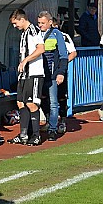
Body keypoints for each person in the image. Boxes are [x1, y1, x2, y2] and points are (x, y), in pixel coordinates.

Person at [8, 9, 45, 146]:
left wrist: (26, 61)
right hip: (24, 75)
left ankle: (36, 135)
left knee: (31, 103)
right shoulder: (24, 33)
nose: (14, 26)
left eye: (15, 22)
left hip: (34, 73)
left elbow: (41, 48)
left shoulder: (33, 30)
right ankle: (23, 134)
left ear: (22, 19)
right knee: (20, 103)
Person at [37, 11, 68, 141]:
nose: (40, 25)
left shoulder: (57, 34)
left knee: (54, 102)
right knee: (41, 100)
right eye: (39, 23)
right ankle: (48, 122)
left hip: (52, 74)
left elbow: (63, 55)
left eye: (43, 23)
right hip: (38, 74)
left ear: (50, 22)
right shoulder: (36, 33)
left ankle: (53, 129)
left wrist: (60, 73)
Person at [52, 17, 77, 133]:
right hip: (48, 72)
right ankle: (49, 121)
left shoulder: (64, 36)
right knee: (46, 97)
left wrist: (63, 64)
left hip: (60, 72)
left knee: (61, 97)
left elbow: (73, 52)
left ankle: (62, 120)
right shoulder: (42, 36)